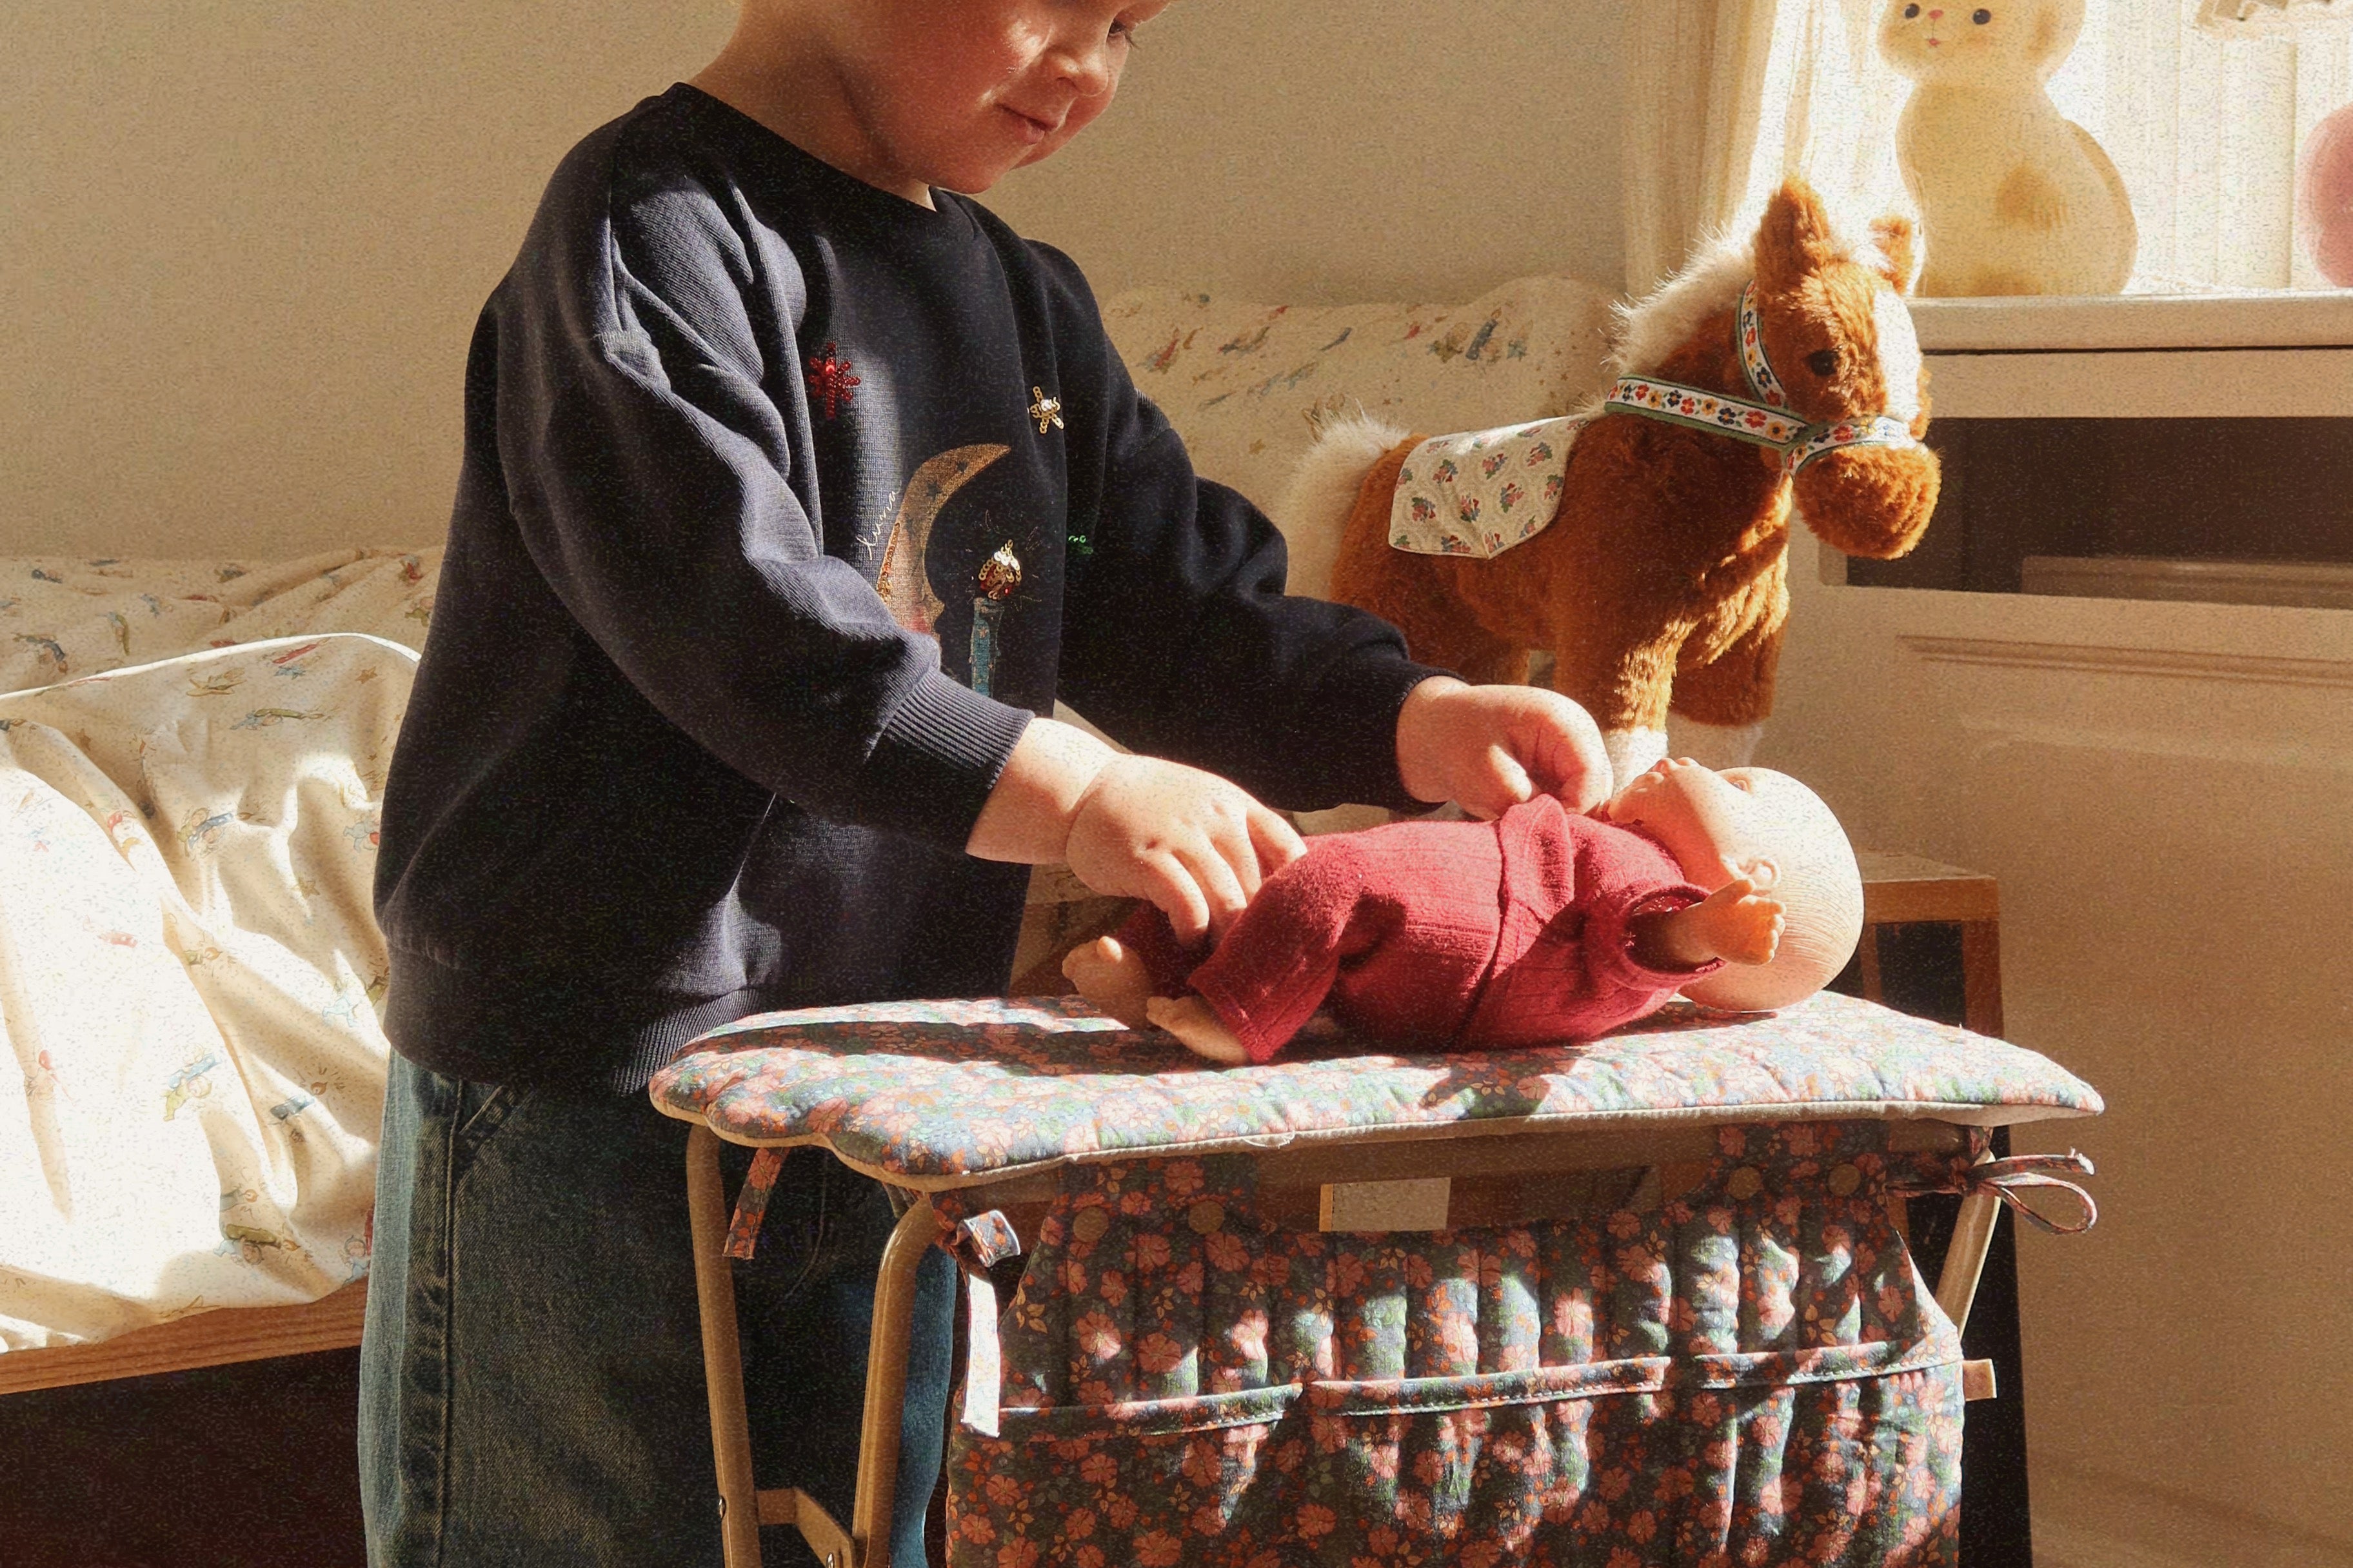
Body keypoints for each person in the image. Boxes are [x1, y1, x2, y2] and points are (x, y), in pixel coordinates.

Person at [359, 3, 1615, 1565]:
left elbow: (1174, 604)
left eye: (1128, 27)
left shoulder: (1022, 299)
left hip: (880, 1081)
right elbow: (743, 626)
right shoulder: (650, 227)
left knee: (866, 1521)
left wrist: (1410, 714)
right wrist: (1078, 786)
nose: (1089, 67)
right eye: (1054, 2)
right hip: (593, 1067)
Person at [1066, 757, 1864, 1063]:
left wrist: (1701, 932)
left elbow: (1639, 936)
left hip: (1485, 944)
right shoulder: (1618, 839)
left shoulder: (1657, 881)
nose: (1692, 762)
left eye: (1734, 783)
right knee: (1276, 880)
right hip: (1469, 936)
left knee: (1327, 879)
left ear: (1746, 876)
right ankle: (1150, 976)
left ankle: (1235, 1022)